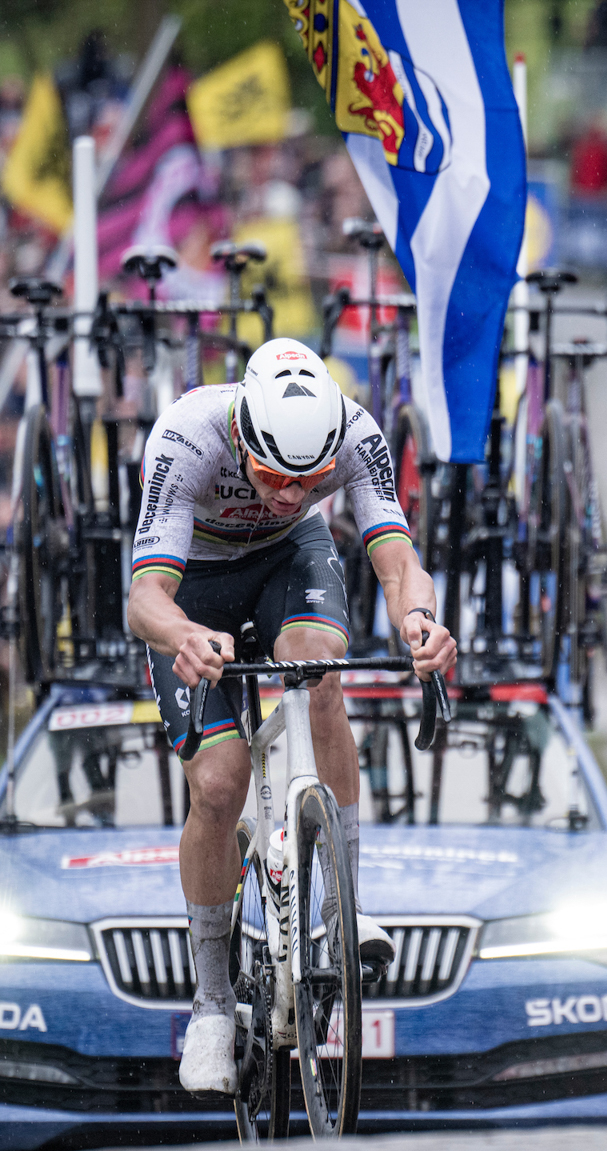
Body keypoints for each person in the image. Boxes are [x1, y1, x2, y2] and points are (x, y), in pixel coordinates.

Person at [125, 338, 457, 1095]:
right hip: (193, 586)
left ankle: (344, 907)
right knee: (219, 783)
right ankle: (211, 1006)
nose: (285, 494)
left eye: (306, 482)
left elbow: (400, 561)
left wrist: (420, 621)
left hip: (286, 562)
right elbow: (144, 599)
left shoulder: (357, 434)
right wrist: (184, 635)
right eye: (274, 476)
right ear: (243, 436)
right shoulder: (189, 435)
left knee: (320, 668)